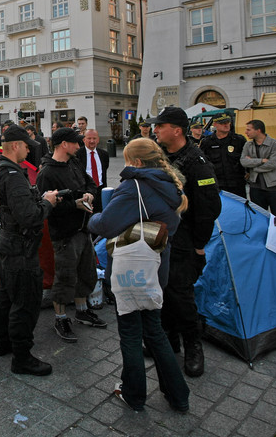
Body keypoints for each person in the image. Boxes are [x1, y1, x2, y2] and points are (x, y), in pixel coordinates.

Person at [88, 138, 191, 413]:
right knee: (155, 333)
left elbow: (107, 224)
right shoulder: (171, 184)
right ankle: (179, 395)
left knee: (131, 334)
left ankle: (134, 394)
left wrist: (92, 217)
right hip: (156, 267)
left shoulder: (134, 187)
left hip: (132, 272)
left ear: (133, 161)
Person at [145, 106, 220, 378]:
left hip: (184, 240)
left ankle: (193, 346)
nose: (155, 130)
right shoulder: (159, 156)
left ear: (176, 130)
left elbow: (209, 208)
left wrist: (199, 245)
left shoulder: (197, 163)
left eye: (160, 126)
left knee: (181, 294)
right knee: (162, 289)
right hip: (160, 236)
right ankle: (168, 340)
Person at [0, 125, 59, 376]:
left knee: (7, 295)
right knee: (25, 303)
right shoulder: (13, 174)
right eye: (27, 146)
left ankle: (2, 343)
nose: (30, 150)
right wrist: (47, 203)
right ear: (16, 145)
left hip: (7, 244)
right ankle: (22, 358)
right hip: (20, 248)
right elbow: (29, 217)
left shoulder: (0, 167)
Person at [36, 128, 106, 342]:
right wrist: (73, 205)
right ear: (63, 144)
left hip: (83, 229)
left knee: (86, 272)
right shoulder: (47, 173)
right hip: (65, 234)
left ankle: (82, 310)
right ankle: (60, 318)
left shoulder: (74, 162)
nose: (79, 145)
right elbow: (46, 206)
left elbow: (91, 183)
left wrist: (89, 194)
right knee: (65, 278)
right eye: (76, 142)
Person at [241, 120, 276, 226]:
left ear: (258, 130)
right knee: (259, 217)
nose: (246, 132)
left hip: (275, 186)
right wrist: (261, 161)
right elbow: (243, 161)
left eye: (249, 129)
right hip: (256, 186)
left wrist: (254, 166)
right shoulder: (248, 145)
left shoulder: (275, 144)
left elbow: (274, 164)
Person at [200, 115, 248, 199]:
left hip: (237, 184)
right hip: (217, 184)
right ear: (215, 124)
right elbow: (203, 163)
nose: (226, 125)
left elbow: (246, 159)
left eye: (228, 123)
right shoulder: (207, 142)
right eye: (222, 123)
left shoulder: (239, 140)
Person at [81, 129, 110, 213]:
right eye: (89, 138)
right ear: (84, 140)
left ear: (98, 140)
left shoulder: (104, 154)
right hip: (85, 192)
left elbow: (104, 170)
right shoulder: (78, 155)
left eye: (94, 138)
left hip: (100, 191)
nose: (92, 141)